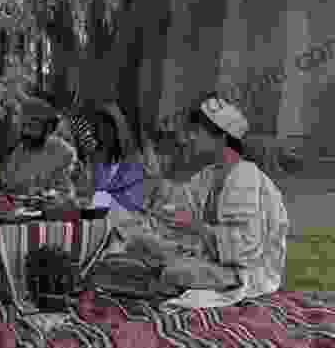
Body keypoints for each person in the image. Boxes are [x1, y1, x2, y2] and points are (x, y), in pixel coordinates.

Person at [95, 96, 290, 308]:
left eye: (196, 132)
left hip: (245, 273)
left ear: (221, 137)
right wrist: (157, 188)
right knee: (138, 244)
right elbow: (178, 205)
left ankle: (156, 285)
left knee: (175, 273)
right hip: (209, 261)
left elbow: (245, 250)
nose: (190, 138)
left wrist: (197, 228)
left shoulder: (244, 177)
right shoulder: (209, 175)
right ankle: (152, 281)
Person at [0, 97, 77, 202]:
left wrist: (44, 194)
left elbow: (64, 192)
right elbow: (7, 184)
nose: (26, 131)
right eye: (24, 126)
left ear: (47, 127)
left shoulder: (63, 152)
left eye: (31, 126)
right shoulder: (19, 152)